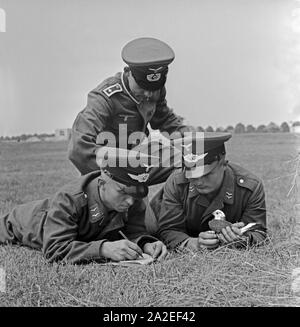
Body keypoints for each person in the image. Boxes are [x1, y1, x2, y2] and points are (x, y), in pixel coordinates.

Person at [0, 151, 167, 264]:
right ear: (102, 184)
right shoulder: (69, 199)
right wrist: (103, 249)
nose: (130, 201)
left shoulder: (132, 198)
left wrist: (145, 243)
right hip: (22, 223)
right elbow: (55, 249)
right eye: (123, 192)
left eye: (136, 193)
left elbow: (135, 231)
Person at [68, 37, 192, 179]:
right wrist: (112, 176)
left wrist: (197, 144)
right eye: (142, 87)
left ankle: (167, 201)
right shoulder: (104, 97)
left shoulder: (155, 91)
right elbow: (78, 148)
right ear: (128, 72)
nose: (148, 94)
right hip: (106, 171)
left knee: (189, 163)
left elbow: (167, 121)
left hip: (137, 162)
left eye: (154, 88)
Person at [151, 132, 267, 250]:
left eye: (206, 174)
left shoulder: (250, 187)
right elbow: (168, 229)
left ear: (223, 165)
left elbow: (258, 231)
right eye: (193, 176)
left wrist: (242, 239)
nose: (199, 182)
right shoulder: (177, 182)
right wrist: (192, 243)